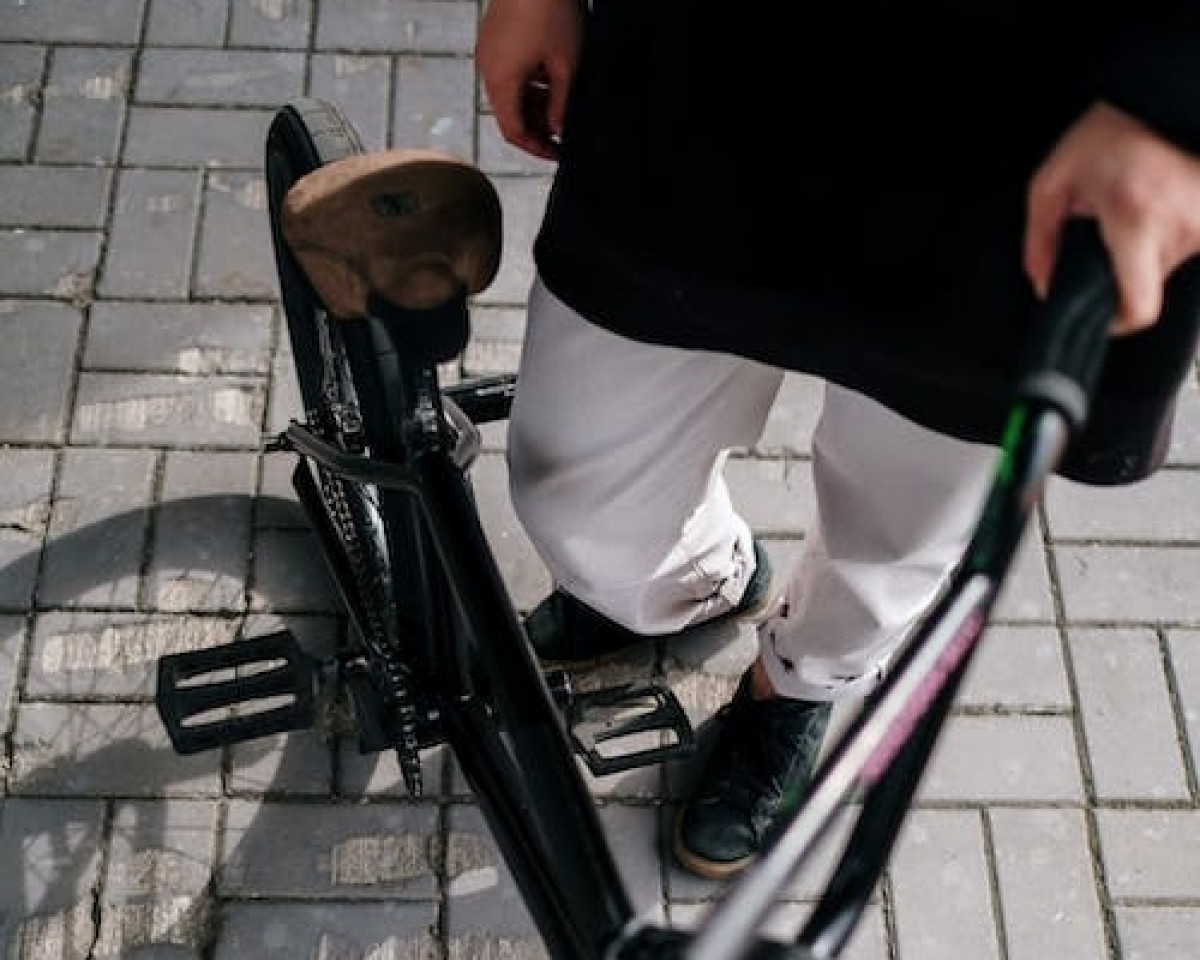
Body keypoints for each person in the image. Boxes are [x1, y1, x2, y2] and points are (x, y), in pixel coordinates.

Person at [475, 0, 1200, 880]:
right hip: (706, 70)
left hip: (1030, 119)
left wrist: (1178, 102)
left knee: (905, 521)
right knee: (577, 488)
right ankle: (696, 581)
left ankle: (802, 680)